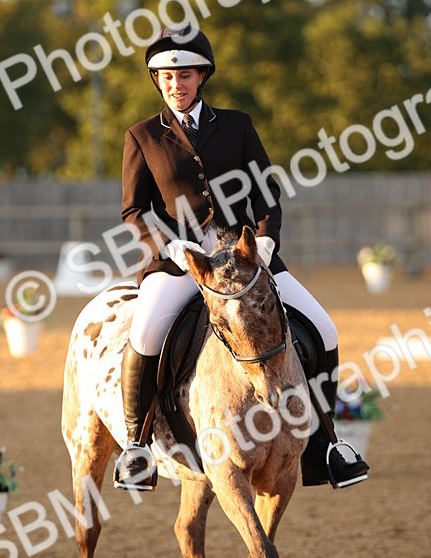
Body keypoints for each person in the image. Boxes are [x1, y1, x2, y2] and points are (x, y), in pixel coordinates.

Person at [115, 25, 369, 493]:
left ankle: (327, 444)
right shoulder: (142, 136)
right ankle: (137, 446)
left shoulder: (237, 125)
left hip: (246, 257)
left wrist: (267, 239)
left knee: (324, 327)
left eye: (186, 74)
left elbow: (267, 193)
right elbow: (133, 210)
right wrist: (167, 244)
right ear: (157, 81)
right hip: (182, 260)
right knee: (147, 332)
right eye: (168, 76)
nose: (177, 83)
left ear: (202, 77)